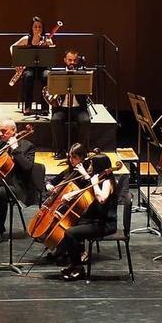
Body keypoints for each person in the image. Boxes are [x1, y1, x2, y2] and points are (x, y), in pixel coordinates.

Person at [56, 152, 117, 281]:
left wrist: (94, 183)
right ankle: (73, 263)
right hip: (95, 220)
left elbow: (101, 199)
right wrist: (71, 195)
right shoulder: (99, 178)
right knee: (72, 225)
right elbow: (86, 190)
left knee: (70, 233)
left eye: (92, 165)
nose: (89, 168)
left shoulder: (107, 182)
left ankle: (79, 268)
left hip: (104, 224)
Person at [0, 119, 36, 244]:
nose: (0, 134)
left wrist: (15, 149)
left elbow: (27, 167)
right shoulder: (2, 144)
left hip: (17, 185)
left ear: (14, 131)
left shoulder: (28, 146)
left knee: (1, 193)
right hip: (0, 180)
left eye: (4, 131)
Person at [49, 49, 91, 159]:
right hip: (62, 109)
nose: (72, 62)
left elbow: (87, 93)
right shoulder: (57, 75)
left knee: (85, 121)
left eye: (74, 60)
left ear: (77, 61)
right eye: (69, 60)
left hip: (78, 109)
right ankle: (60, 151)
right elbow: (51, 92)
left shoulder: (83, 75)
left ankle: (80, 151)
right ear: (65, 60)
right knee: (55, 120)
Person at [10, 17, 55, 114]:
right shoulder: (26, 39)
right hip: (30, 68)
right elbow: (12, 47)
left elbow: (51, 55)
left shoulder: (47, 40)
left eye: (40, 27)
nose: (38, 29)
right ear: (31, 28)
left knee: (46, 75)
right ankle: (27, 107)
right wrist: (16, 62)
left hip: (43, 68)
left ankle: (45, 108)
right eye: (35, 27)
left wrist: (49, 45)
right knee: (28, 76)